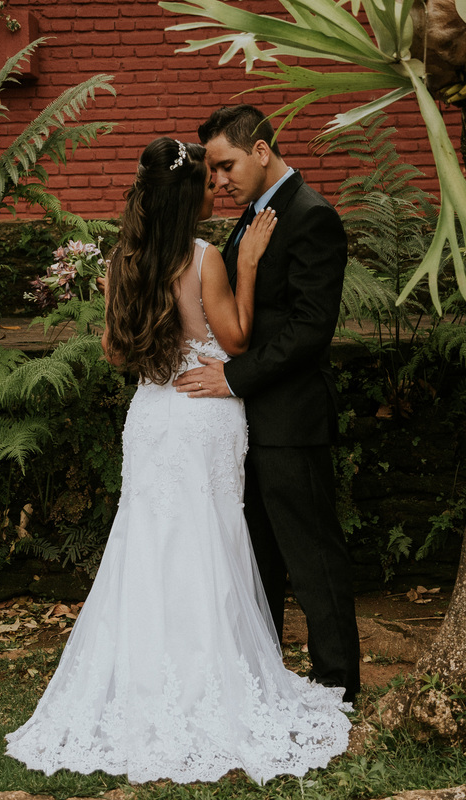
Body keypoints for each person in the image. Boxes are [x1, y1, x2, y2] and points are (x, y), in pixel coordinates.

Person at [5, 137, 352, 784]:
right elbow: (236, 340)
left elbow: (115, 352)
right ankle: (209, 680)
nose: (215, 192)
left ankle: (146, 679)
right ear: (187, 201)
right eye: (205, 186)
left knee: (148, 541)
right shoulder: (205, 258)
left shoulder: (122, 262)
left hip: (152, 415)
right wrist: (249, 266)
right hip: (203, 412)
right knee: (209, 539)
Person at [174, 105, 362, 703]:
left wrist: (233, 377)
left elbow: (310, 329)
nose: (218, 180)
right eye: (213, 170)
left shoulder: (311, 216)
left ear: (260, 150)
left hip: (291, 418)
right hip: (246, 421)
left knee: (311, 554)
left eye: (226, 165)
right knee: (257, 558)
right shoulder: (251, 216)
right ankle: (264, 676)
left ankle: (338, 682)